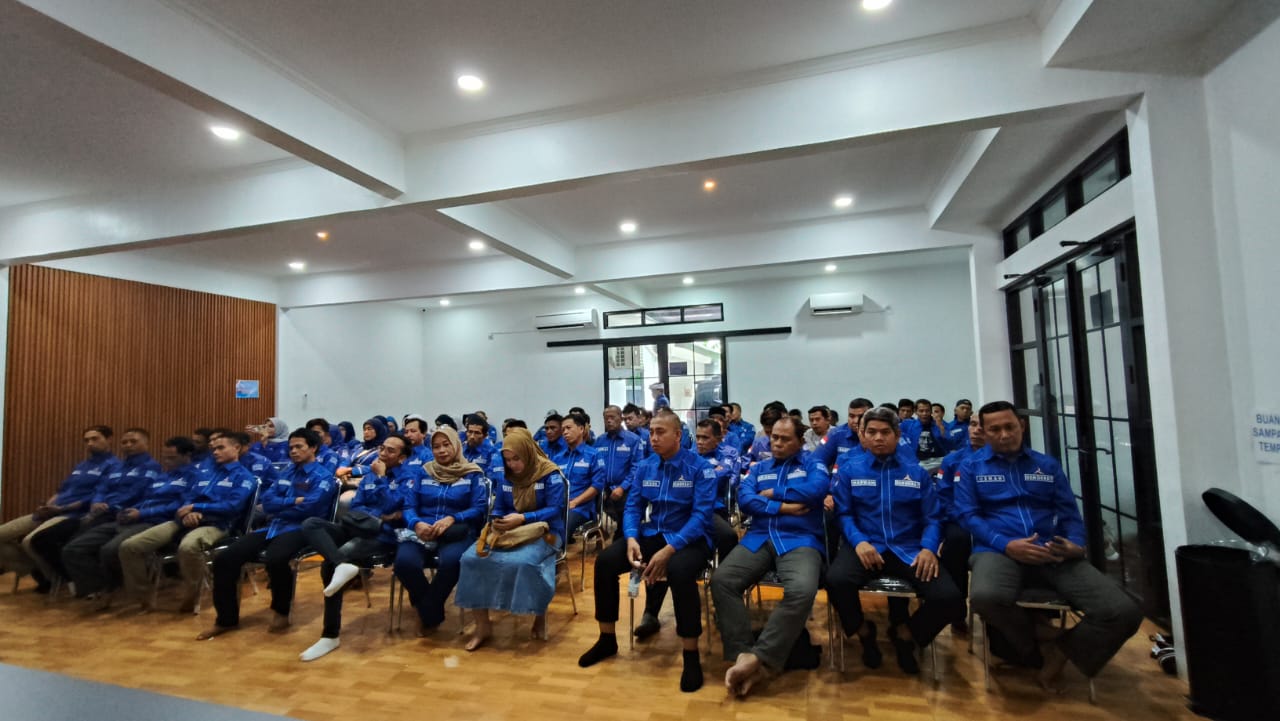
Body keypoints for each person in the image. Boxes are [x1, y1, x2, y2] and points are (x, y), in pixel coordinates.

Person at [957, 400, 1142, 690]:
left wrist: (1076, 544)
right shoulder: (971, 467)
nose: (1004, 434)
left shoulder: (1047, 466)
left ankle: (1062, 650)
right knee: (985, 597)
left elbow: (1070, 513)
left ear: (1022, 426)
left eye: (1009, 427)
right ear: (984, 431)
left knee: (1124, 611)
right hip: (997, 549)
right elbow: (968, 515)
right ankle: (1036, 642)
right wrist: (1006, 544)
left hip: (1052, 550)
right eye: (995, 429)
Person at [578, 410, 716, 693]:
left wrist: (670, 549)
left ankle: (691, 654)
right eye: (651, 432)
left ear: (677, 435)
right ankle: (607, 639)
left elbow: (701, 516)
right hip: (653, 533)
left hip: (690, 539)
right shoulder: (645, 466)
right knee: (605, 562)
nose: (653, 438)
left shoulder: (700, 468)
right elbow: (633, 507)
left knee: (679, 572)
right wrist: (630, 537)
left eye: (660, 432)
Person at [827, 407, 964, 674]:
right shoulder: (850, 470)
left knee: (950, 598)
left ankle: (906, 634)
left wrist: (928, 548)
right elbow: (844, 514)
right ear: (863, 435)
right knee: (835, 581)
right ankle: (864, 631)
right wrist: (859, 542)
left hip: (908, 548)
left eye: (885, 432)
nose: (878, 438)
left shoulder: (916, 473)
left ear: (897, 435)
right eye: (872, 432)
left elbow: (933, 517)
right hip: (866, 546)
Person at [712, 416, 828, 696]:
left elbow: (816, 490)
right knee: (722, 580)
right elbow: (745, 499)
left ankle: (759, 657)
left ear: (800, 441)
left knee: (802, 590)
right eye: (774, 437)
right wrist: (783, 507)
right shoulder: (760, 467)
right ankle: (741, 652)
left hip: (800, 539)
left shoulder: (812, 463)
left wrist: (775, 492)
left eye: (785, 439)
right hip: (759, 538)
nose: (776, 443)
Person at [198, 429, 337, 639]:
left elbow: (309, 507)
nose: (293, 451)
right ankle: (225, 619)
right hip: (273, 526)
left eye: (299, 447)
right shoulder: (287, 473)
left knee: (276, 558)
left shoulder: (323, 476)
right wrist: (292, 502)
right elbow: (267, 502)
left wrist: (281, 506)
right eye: (291, 447)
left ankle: (281, 611)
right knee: (225, 558)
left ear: (313, 448)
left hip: (303, 529)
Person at [297, 432, 420, 661]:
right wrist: (380, 514)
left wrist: (381, 480)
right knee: (311, 524)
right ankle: (341, 563)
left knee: (329, 566)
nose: (383, 453)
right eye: (382, 448)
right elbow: (357, 505)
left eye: (391, 450)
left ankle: (330, 635)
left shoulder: (409, 477)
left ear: (402, 457)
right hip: (357, 526)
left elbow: (396, 505)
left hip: (383, 536)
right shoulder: (370, 475)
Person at [117, 432, 258, 613]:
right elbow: (187, 498)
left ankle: (192, 597)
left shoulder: (244, 477)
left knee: (188, 547)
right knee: (130, 546)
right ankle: (142, 598)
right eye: (214, 449)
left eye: (221, 448)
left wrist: (198, 508)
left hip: (217, 524)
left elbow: (232, 506)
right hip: (185, 520)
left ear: (236, 448)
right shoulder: (203, 473)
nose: (215, 452)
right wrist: (188, 510)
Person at [455, 428, 566, 650]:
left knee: (524, 563)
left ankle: (539, 614)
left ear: (528, 453)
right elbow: (499, 507)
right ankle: (482, 626)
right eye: (507, 460)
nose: (512, 464)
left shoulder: (550, 474)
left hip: (548, 533)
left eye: (517, 459)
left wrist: (524, 518)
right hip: (510, 532)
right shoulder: (505, 475)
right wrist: (498, 519)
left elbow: (556, 509)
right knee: (471, 559)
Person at [634, 418, 740, 640]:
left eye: (705, 438)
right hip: (682, 511)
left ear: (718, 439)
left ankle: (724, 595)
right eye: (697, 437)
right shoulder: (686, 454)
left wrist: (704, 473)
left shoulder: (727, 453)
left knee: (728, 535)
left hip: (711, 510)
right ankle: (650, 612)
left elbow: (725, 475)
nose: (700, 442)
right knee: (656, 546)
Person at [0, 425, 122, 592]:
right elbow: (62, 490)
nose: (90, 443)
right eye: (86, 440)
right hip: (51, 511)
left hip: (71, 514)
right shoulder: (82, 465)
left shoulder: (114, 466)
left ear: (109, 439)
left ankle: (54, 579)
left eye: (95, 439)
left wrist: (60, 509)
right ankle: (33, 566)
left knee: (30, 542)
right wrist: (47, 505)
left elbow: (94, 498)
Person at [393, 427, 487, 638]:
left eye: (446, 445)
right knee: (404, 563)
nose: (441, 450)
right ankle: (432, 612)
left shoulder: (472, 473)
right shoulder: (423, 471)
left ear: (456, 446)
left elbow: (479, 508)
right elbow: (409, 506)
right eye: (436, 446)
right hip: (423, 530)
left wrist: (454, 518)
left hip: (457, 531)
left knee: (453, 562)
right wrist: (416, 523)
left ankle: (425, 612)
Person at [59, 428, 161, 603]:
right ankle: (98, 588)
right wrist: (96, 502)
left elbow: (136, 493)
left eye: (133, 442)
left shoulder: (152, 467)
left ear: (146, 443)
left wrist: (108, 507)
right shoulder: (118, 466)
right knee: (72, 548)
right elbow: (102, 488)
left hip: (127, 515)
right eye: (124, 442)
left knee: (106, 549)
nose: (128, 445)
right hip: (103, 513)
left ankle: (110, 589)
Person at [936, 414, 985, 631]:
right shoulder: (952, 460)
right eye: (973, 425)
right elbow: (943, 498)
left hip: (993, 522)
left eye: (983, 426)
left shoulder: (1001, 459)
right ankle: (956, 610)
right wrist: (966, 519)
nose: (976, 430)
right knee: (956, 542)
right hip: (959, 520)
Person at [556, 412, 606, 542]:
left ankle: (555, 551)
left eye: (568, 428)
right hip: (559, 505)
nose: (565, 432)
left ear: (581, 429)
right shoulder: (558, 457)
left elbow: (597, 486)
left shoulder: (594, 455)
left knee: (560, 527)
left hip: (581, 508)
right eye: (563, 429)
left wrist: (575, 502)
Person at [593, 405, 644, 531]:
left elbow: (637, 467)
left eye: (612, 417)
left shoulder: (633, 440)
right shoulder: (599, 441)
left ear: (621, 419)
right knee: (602, 527)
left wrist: (622, 487)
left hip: (626, 490)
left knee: (625, 527)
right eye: (606, 418)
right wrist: (601, 488)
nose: (609, 420)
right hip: (605, 491)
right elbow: (596, 467)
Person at [812, 398, 873, 470]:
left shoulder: (879, 435)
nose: (856, 421)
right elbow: (816, 460)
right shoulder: (835, 434)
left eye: (861, 416)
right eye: (851, 416)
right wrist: (820, 476)